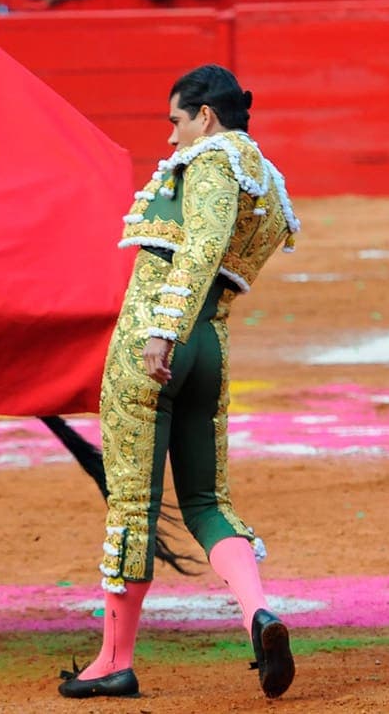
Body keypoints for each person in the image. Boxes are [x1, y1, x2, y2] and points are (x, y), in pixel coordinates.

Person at [57, 64, 300, 700]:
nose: (171, 140)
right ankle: (259, 615)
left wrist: (162, 331)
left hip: (155, 343)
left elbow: (197, 249)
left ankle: (113, 659)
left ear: (206, 117)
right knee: (206, 502)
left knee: (132, 505)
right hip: (212, 345)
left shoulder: (212, 162)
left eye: (176, 121)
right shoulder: (268, 183)